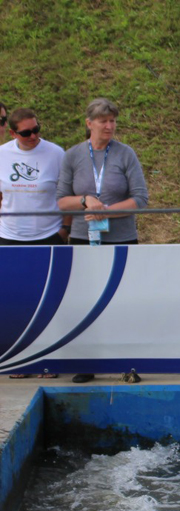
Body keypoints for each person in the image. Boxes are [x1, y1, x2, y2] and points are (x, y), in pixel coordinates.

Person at [56, 97, 149, 384]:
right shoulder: (73, 155)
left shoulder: (125, 154)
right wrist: (86, 200)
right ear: (89, 124)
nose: (109, 126)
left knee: (123, 301)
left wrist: (108, 210)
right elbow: (62, 201)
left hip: (121, 238)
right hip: (84, 240)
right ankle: (87, 362)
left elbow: (140, 199)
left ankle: (128, 364)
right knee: (85, 301)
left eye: (112, 121)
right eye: (103, 121)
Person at [2, 108, 69, 379]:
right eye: (26, 133)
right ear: (13, 133)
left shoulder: (56, 153)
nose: (33, 136)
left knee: (50, 299)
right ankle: (18, 361)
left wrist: (65, 229)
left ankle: (48, 360)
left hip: (48, 235)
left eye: (37, 129)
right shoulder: (2, 154)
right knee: (14, 299)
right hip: (9, 236)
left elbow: (66, 194)